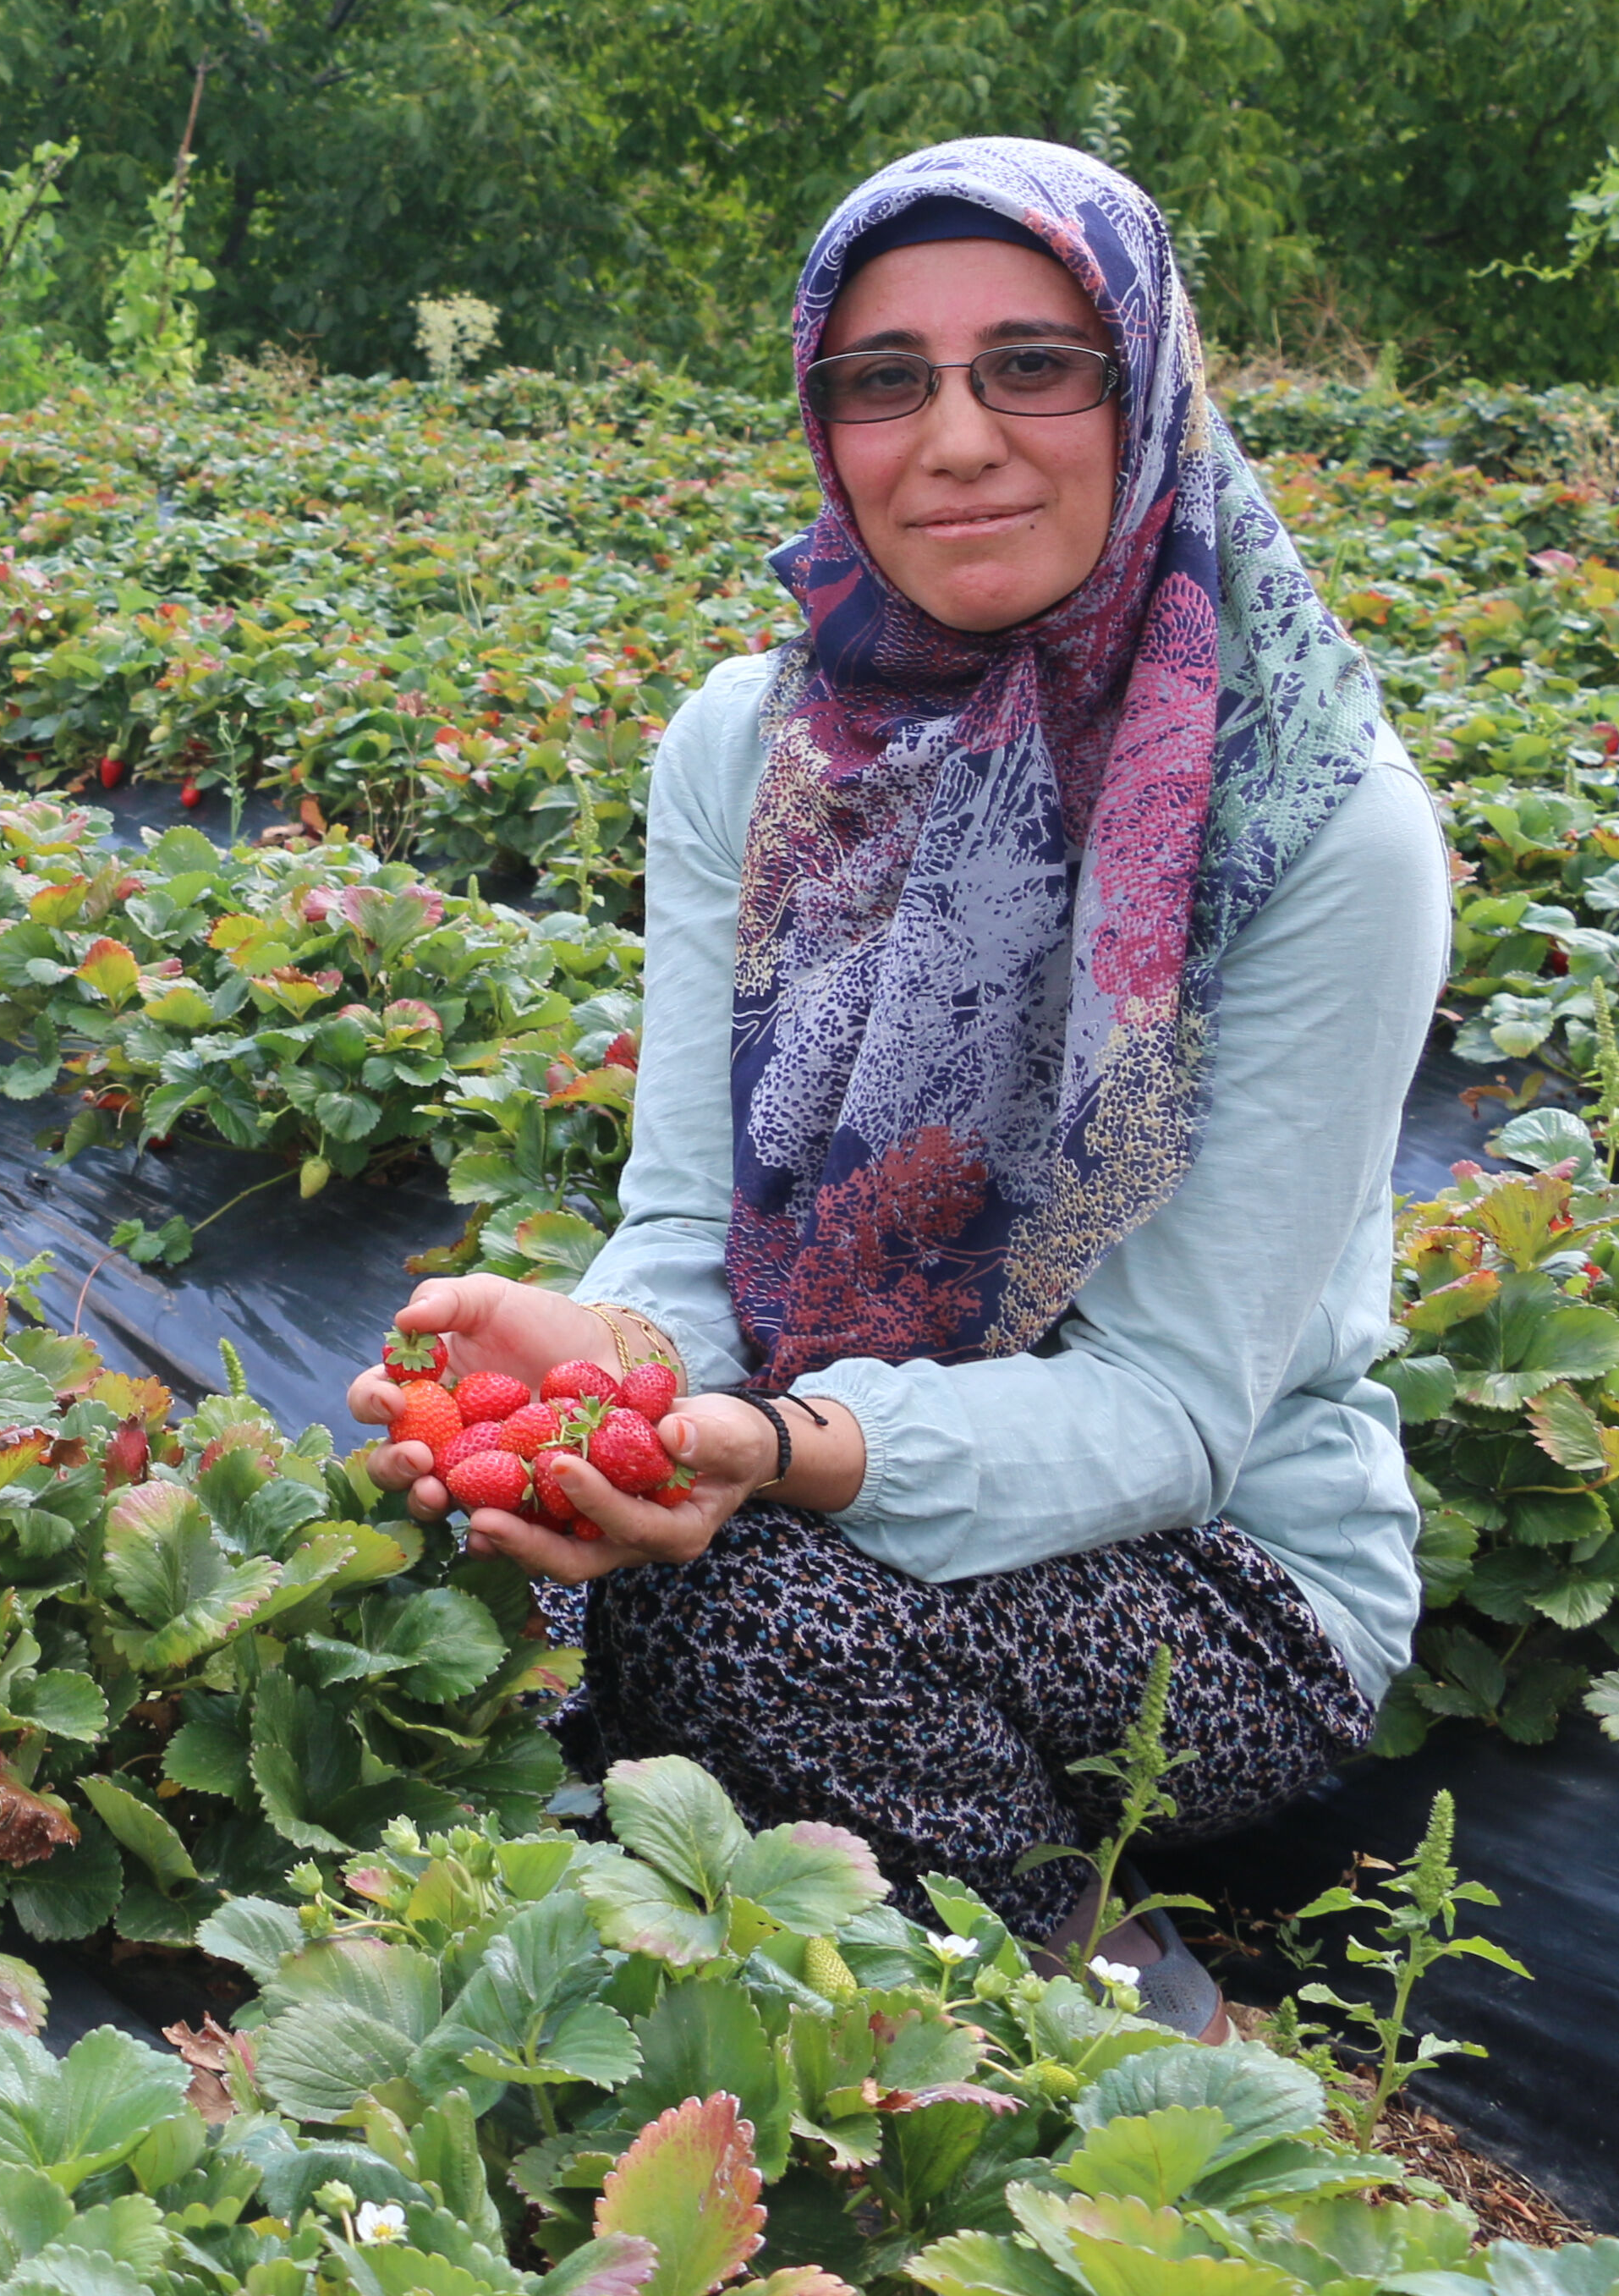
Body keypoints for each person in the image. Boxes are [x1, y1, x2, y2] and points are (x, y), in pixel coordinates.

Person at [351, 136, 1437, 2039]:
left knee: (730, 1608)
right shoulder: (749, 746)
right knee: (495, 1521)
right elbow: (696, 1220)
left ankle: (1079, 1980)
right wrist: (606, 1369)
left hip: (1228, 1572)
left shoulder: (1316, 830)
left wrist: (770, 1455)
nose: (956, 438)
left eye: (1034, 363)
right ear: (824, 419)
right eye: (887, 378)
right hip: (815, 1444)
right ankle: (764, 1832)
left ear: (1149, 385)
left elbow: (1176, 1415)